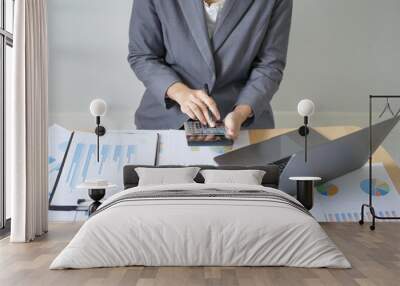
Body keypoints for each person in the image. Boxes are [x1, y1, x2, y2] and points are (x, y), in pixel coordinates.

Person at [128, 0, 292, 139]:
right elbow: (143, 55)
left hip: (242, 124)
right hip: (166, 120)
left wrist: (241, 112)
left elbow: (269, 65)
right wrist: (179, 92)